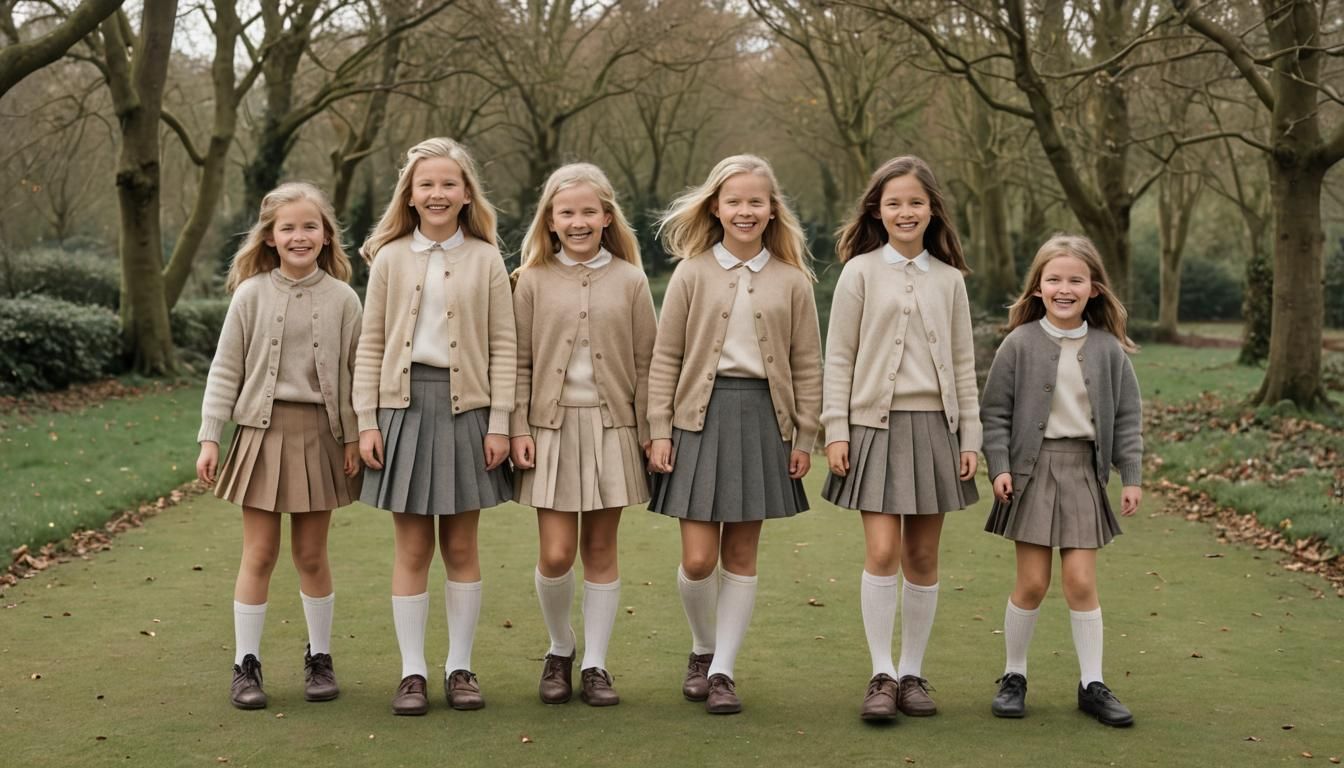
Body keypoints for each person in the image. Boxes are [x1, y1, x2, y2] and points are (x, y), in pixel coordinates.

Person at [647, 154, 823, 715]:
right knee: (699, 560)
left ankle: (722, 670)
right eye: (734, 201)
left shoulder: (793, 280)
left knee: (741, 555)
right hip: (696, 421)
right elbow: (665, 357)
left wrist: (805, 438)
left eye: (756, 201)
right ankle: (702, 647)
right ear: (716, 208)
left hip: (763, 424)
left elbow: (808, 364)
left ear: (772, 210)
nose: (745, 210)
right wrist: (659, 430)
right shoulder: (691, 273)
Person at [354, 137, 516, 716]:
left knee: (463, 544)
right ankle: (413, 672)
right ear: (411, 194)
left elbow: (504, 344)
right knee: (413, 546)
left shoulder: (489, 259)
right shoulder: (390, 257)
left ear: (466, 193)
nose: (438, 193)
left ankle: (461, 668)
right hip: (402, 410)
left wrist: (499, 421)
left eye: (449, 183)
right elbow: (370, 342)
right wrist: (366, 420)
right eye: (427, 184)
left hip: (467, 412)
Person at [821, 156, 981, 721]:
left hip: (936, 429)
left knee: (922, 554)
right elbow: (838, 356)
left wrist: (970, 437)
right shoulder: (859, 272)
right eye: (894, 203)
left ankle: (913, 673)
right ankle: (881, 674)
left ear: (931, 208)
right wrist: (835, 428)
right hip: (873, 429)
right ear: (877, 210)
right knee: (883, 552)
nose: (905, 212)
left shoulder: (950, 279)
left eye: (915, 202)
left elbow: (964, 363)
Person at [196, 181, 362, 710]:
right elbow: (225, 369)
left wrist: (356, 437)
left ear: (325, 234)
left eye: (309, 226)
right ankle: (246, 665)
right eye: (287, 227)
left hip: (321, 437)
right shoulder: (250, 294)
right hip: (260, 437)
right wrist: (210, 436)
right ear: (269, 236)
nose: (299, 235)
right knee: (260, 553)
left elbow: (359, 374)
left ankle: (320, 658)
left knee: (312, 554)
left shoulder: (343, 298)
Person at [981, 233, 1143, 727]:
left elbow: (1130, 416)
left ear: (1094, 288)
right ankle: (1014, 676)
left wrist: (1130, 474)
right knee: (1031, 583)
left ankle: (1091, 683)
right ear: (1038, 289)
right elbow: (995, 414)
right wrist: (1000, 466)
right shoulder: (1019, 344)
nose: (1064, 288)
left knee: (1080, 581)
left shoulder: (1109, 349)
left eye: (1076, 279)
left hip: (1082, 475)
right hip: (1031, 474)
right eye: (1054, 279)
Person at [511, 163, 657, 707]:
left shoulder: (631, 279)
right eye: (566, 212)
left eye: (588, 212)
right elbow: (520, 362)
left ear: (606, 217)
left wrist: (652, 431)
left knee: (600, 548)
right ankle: (560, 647)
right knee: (555, 554)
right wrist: (517, 425)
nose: (578, 222)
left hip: (612, 426)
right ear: (550, 220)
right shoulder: (530, 279)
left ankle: (595, 663)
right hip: (548, 430)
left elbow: (648, 362)